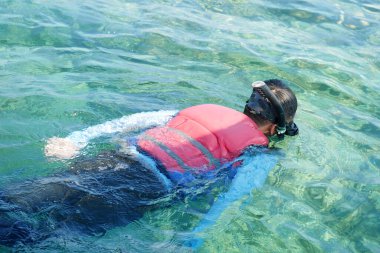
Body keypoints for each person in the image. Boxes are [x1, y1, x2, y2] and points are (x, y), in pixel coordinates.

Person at [0, 79, 298, 248]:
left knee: (21, 197)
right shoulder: (259, 153)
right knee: (48, 235)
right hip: (144, 189)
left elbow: (134, 121)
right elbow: (231, 199)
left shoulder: (206, 109)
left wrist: (78, 138)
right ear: (276, 128)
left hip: (112, 160)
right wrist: (191, 242)